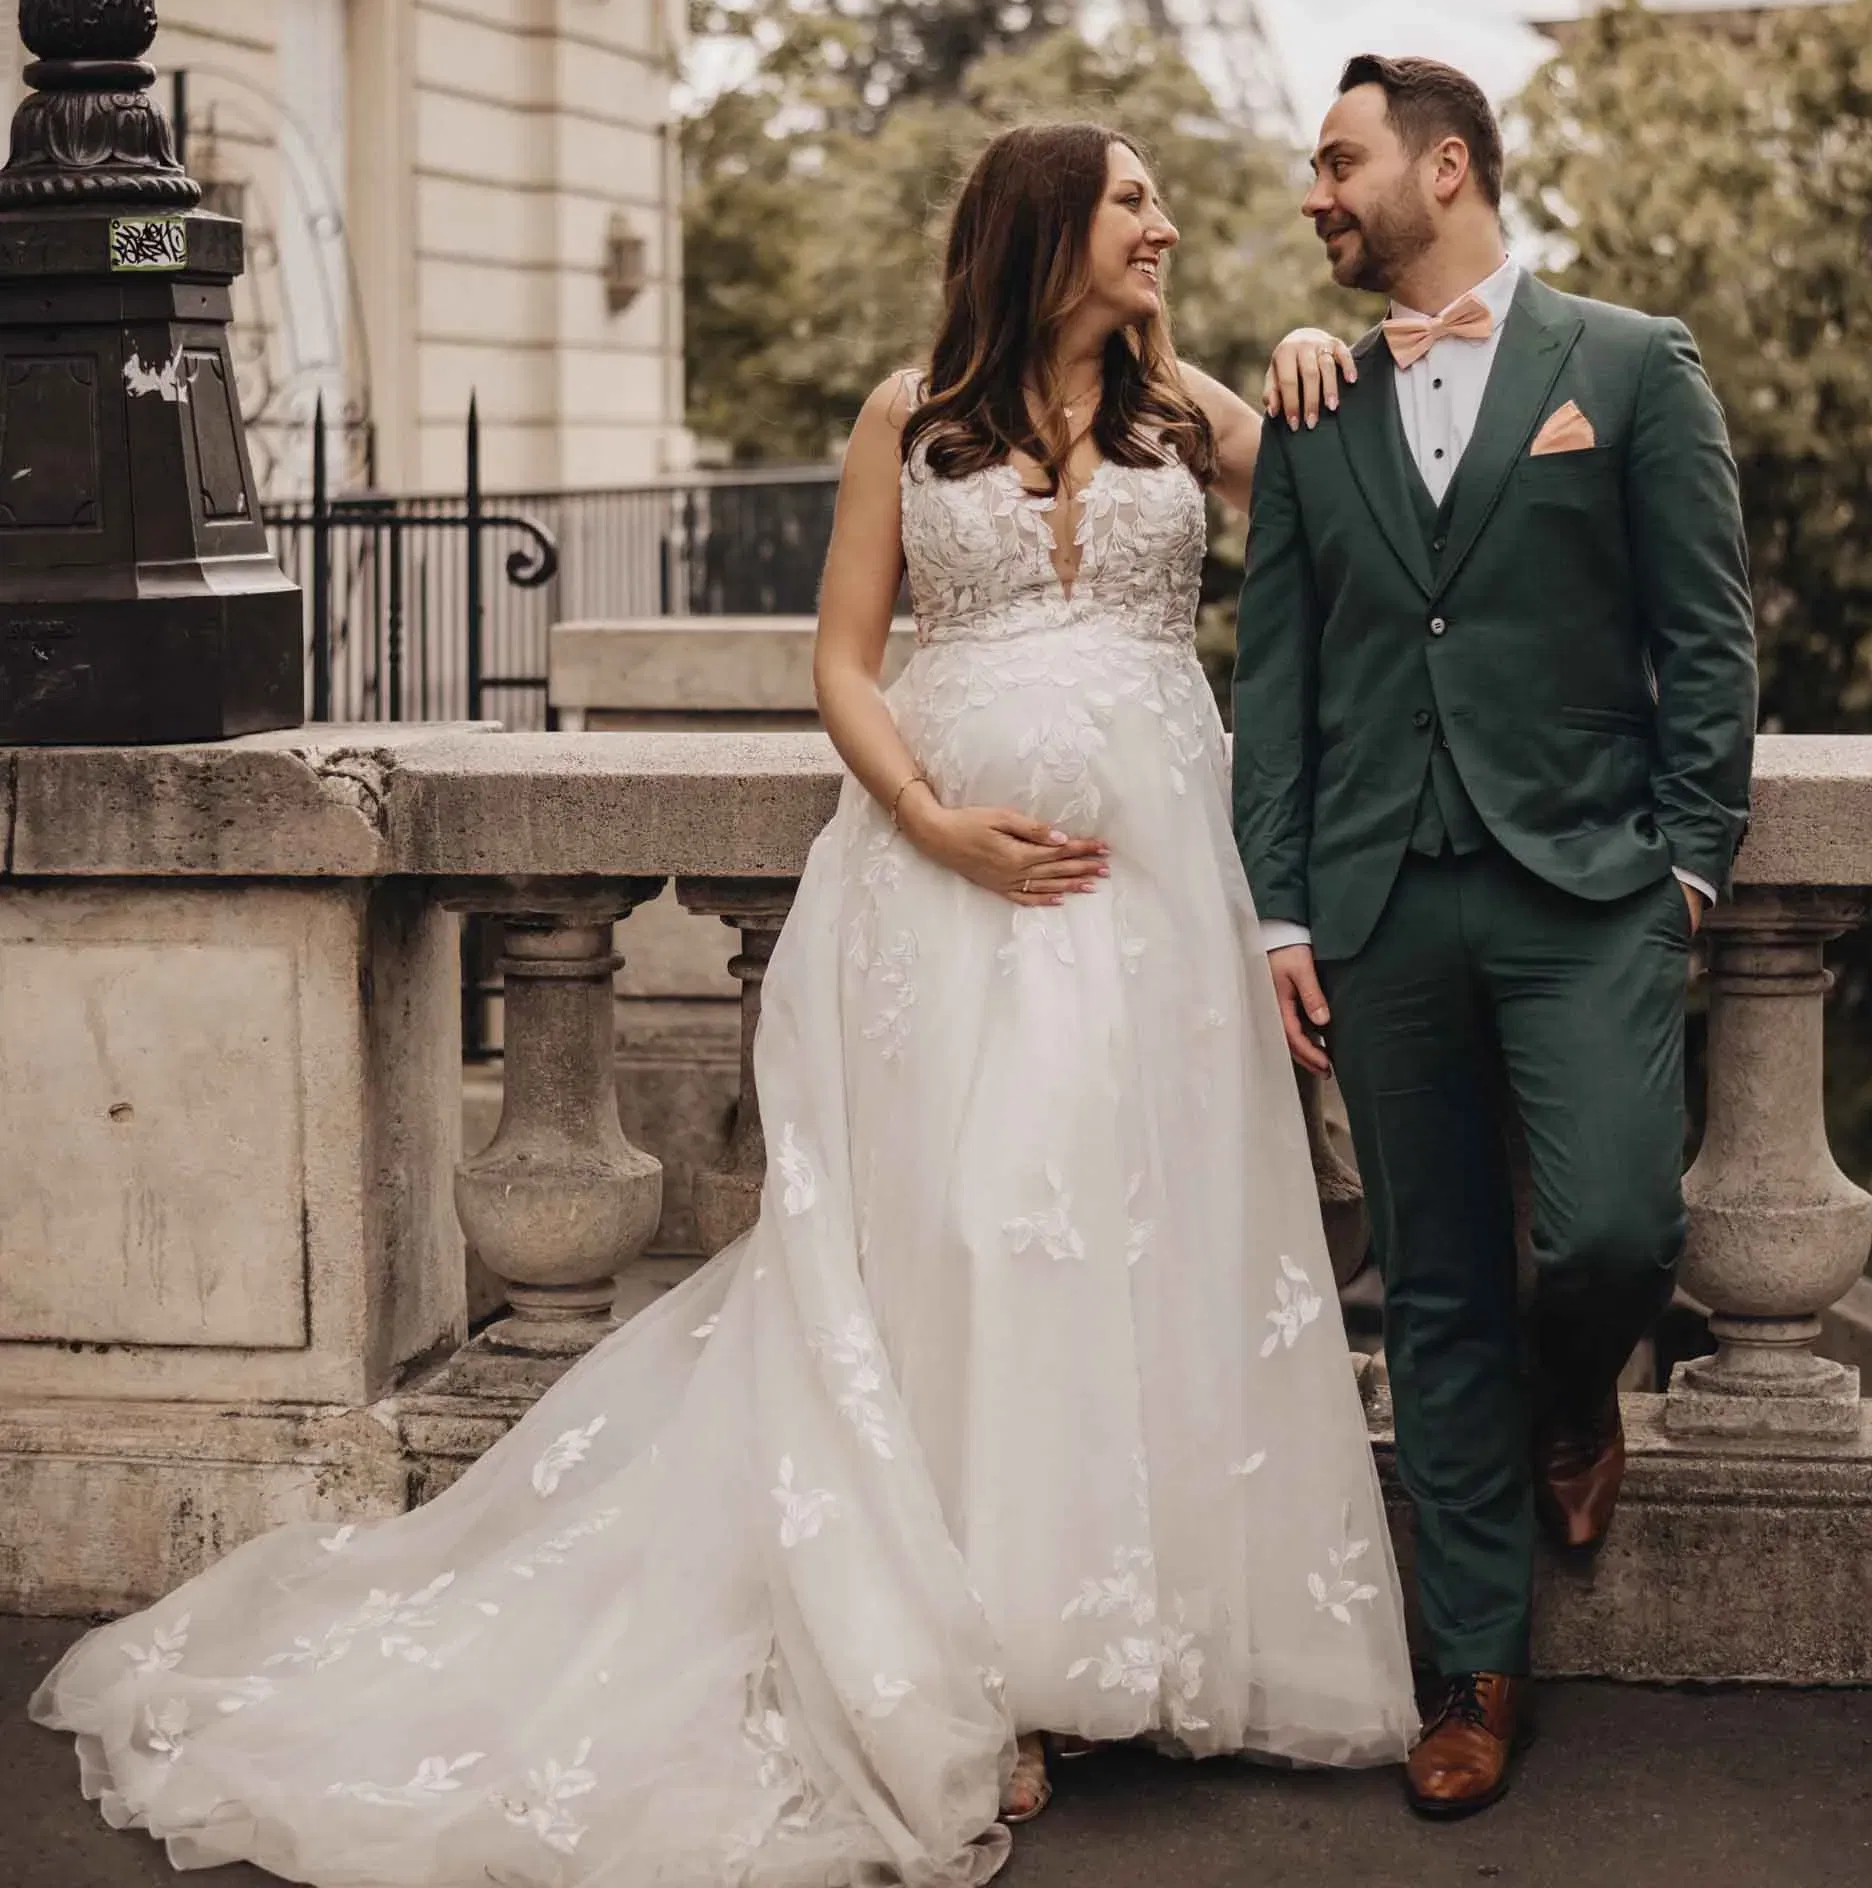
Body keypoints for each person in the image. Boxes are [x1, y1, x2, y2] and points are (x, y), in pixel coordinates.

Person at [33, 122, 1417, 1887]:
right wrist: (933, 820)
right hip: (942, 902)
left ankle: (1106, 1645)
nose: (1166, 225)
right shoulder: (908, 416)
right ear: (1044, 226)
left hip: (1155, 906)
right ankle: (970, 1666)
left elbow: (1378, 497)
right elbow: (842, 655)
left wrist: (1320, 362)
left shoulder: (1193, 414)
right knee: (973, 1242)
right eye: (1132, 200)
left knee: (1137, 1246)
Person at [1238, 54, 1758, 1821]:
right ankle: (1474, 1670)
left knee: (1620, 1222)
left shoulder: (1627, 364)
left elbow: (1709, 637)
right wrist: (1284, 906)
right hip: (1381, 906)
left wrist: (1691, 865)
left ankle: (1581, 1392)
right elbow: (1280, 686)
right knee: (1436, 1288)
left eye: (1338, 161)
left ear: (1443, 167)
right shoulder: (1312, 408)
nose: (1314, 192)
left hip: (1586, 893)